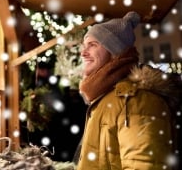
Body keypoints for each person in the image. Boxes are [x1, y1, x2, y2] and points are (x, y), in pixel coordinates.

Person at [74, 11, 176, 170]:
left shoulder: (137, 101)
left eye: (93, 45)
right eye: (84, 45)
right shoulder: (105, 98)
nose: (83, 52)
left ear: (115, 52)